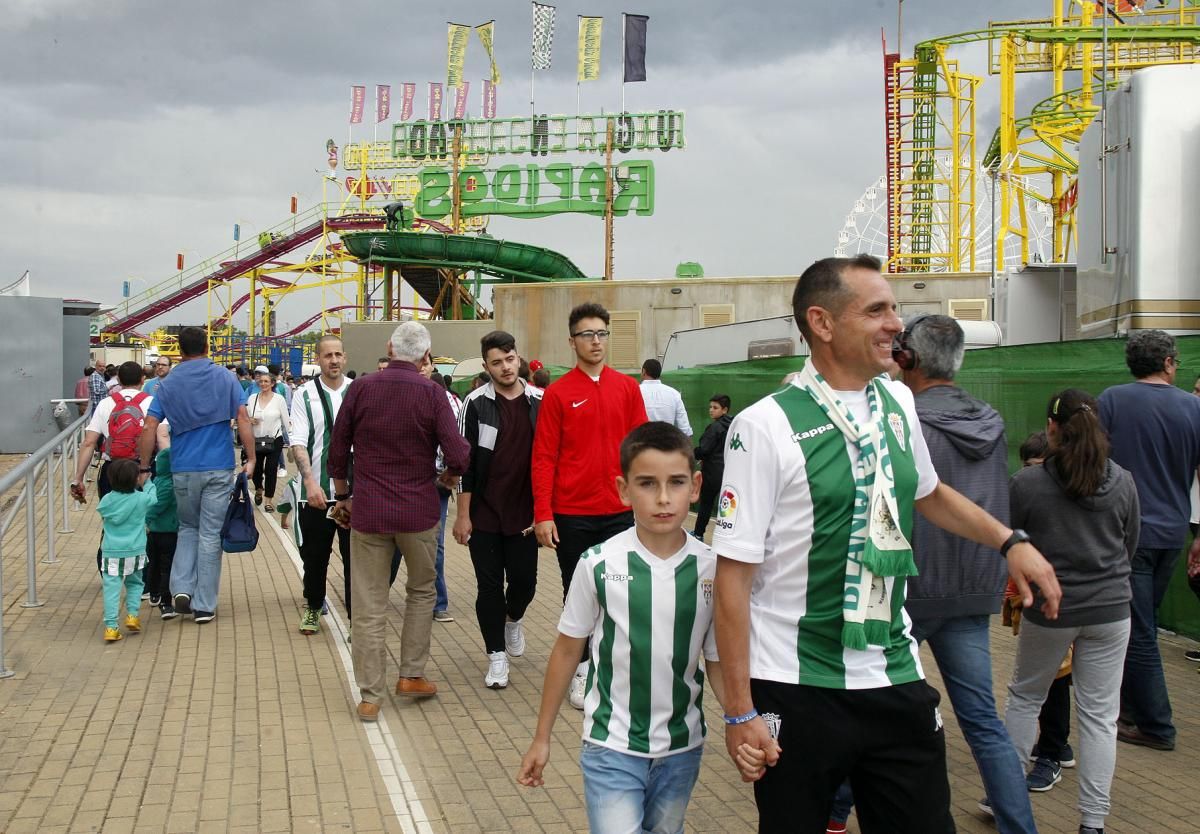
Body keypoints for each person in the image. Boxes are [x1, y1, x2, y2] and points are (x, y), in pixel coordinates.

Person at [712, 255, 1061, 833]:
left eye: (894, 308)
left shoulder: (898, 403)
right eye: (877, 310)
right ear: (821, 323)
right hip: (798, 685)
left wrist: (1009, 541)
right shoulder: (764, 425)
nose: (896, 324)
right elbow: (732, 577)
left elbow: (927, 492)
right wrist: (739, 709)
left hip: (893, 672)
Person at [518, 422, 771, 832]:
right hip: (610, 746)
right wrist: (541, 737)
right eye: (647, 484)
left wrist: (742, 720)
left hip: (682, 749)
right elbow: (567, 650)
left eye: (676, 482)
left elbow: (717, 660)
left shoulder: (712, 569)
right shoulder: (597, 564)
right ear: (623, 489)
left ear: (696, 486)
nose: (663, 498)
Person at [895, 314, 1036, 832]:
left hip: (906, 589)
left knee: (871, 710)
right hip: (973, 590)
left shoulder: (901, 418)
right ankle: (1019, 825)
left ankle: (836, 814)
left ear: (905, 357)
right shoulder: (992, 422)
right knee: (983, 724)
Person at [1005, 389, 1139, 834]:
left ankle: (1006, 799)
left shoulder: (1027, 483)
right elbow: (1129, 544)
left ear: (1051, 428)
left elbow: (1013, 542)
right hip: (1112, 609)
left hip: (1050, 609)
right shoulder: (1123, 480)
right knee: (1101, 716)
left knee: (1026, 696)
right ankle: (1093, 822)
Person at [328, 322, 469, 721]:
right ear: (427, 355)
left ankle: (370, 695)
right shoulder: (434, 393)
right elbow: (458, 455)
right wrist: (449, 477)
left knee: (369, 602)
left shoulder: (361, 388)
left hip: (369, 511)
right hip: (419, 511)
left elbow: (338, 451)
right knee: (421, 591)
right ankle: (411, 675)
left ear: (389, 347)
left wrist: (343, 496)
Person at [532, 302, 649, 709]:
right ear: (572, 341)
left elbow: (641, 450)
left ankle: (615, 669)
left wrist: (645, 501)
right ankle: (582, 669)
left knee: (623, 593)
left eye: (602, 333)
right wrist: (543, 514)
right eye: (587, 334)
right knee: (578, 593)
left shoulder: (627, 388)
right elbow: (544, 456)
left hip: (620, 512)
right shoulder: (558, 394)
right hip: (573, 514)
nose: (596, 341)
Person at [1098, 329, 1200, 752]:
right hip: (1174, 531)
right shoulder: (1194, 408)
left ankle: (1156, 724)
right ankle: (1131, 710)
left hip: (1125, 531)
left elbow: (1094, 461)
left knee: (1138, 628)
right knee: (1143, 623)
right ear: (1170, 362)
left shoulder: (1112, 401)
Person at [136, 326, 255, 625]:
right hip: (217, 466)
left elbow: (150, 426)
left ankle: (181, 589)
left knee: (187, 528)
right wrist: (251, 458)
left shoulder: (168, 383)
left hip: (182, 468)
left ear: (180, 348)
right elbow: (242, 417)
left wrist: (144, 466)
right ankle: (204, 605)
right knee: (210, 533)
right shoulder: (226, 378)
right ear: (206, 346)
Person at [454, 331, 542, 690]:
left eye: (509, 359)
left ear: (518, 358)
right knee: (488, 586)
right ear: (486, 365)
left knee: (525, 583)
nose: (505, 367)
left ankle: (513, 619)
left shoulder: (541, 400)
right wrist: (463, 515)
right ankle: (496, 658)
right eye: (496, 362)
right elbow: (465, 464)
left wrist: (546, 511)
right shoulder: (475, 404)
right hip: (485, 512)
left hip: (526, 513)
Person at [290, 335, 353, 636]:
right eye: (327, 355)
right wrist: (311, 482)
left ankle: (358, 619)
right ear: (318, 359)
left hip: (353, 496)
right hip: (316, 495)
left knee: (357, 559)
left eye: (338, 354)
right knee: (315, 557)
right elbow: (298, 443)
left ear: (345, 358)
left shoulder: (357, 392)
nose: (334, 360)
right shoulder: (304, 395)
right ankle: (313, 607)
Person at [71, 362, 152, 509]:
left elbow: (89, 443)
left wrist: (78, 478)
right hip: (143, 470)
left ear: (119, 380)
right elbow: (163, 437)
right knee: (144, 518)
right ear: (142, 379)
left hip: (112, 471)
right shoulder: (152, 402)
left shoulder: (105, 403)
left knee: (111, 519)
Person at [95, 458, 157, 642]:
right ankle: (132, 615)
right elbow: (153, 498)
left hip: (111, 552)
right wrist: (148, 482)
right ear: (135, 479)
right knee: (136, 584)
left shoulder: (107, 500)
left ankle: (111, 627)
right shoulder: (141, 499)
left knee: (111, 589)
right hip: (135, 551)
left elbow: (103, 511)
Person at [420, 353, 459, 623]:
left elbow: (458, 440)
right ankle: (379, 594)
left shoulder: (450, 401)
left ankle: (438, 601)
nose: (421, 368)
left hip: (436, 482)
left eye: (425, 363)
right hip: (404, 482)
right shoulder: (400, 395)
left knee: (436, 542)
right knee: (394, 543)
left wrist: (452, 474)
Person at [145, 421, 179, 618]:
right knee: (167, 567)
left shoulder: (155, 481)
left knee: (154, 564)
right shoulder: (170, 485)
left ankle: (153, 593)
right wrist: (148, 519)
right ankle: (166, 602)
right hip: (168, 531)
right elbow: (159, 506)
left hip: (153, 533)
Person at [246, 369, 290, 512]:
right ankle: (259, 487)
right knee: (256, 469)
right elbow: (245, 418)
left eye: (266, 381)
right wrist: (249, 420)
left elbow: (286, 421)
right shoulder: (253, 399)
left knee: (271, 469)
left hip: (274, 439)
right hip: (256, 439)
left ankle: (268, 501)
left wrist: (292, 441)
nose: (263, 384)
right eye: (261, 381)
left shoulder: (279, 399)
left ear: (272, 383)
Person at [693, 394, 732, 540]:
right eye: (710, 407)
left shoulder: (715, 427)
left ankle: (698, 534)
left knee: (706, 504)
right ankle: (727, 537)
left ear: (725, 410)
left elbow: (704, 449)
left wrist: (695, 454)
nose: (711, 410)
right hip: (729, 472)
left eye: (715, 407)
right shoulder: (734, 425)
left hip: (712, 473)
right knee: (728, 506)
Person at [639, 358, 692, 437]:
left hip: (641, 443)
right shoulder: (674, 394)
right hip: (667, 444)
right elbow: (685, 429)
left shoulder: (635, 392)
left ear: (643, 371)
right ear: (659, 373)